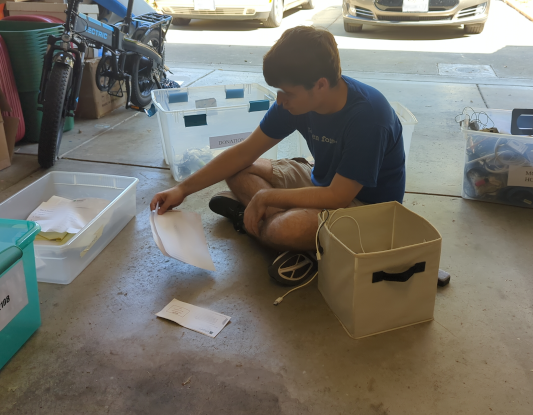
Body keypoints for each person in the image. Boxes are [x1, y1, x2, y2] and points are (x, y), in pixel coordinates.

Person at [150, 26, 405, 282]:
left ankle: (263, 224)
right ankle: (278, 233)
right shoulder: (297, 100)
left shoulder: (369, 118)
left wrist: (265, 197)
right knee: (237, 168)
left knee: (287, 229)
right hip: (320, 180)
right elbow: (244, 152)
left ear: (320, 85)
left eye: (288, 92)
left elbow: (338, 196)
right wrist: (182, 190)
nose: (280, 100)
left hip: (365, 209)